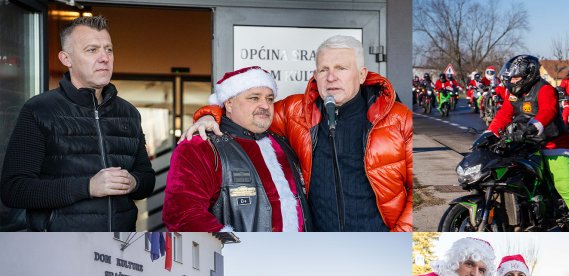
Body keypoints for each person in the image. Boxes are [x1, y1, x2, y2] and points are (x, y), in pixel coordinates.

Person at [185, 35, 412, 232]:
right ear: (315, 74)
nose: (331, 77)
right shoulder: (296, 111)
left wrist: (400, 235)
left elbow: (416, 191)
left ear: (362, 75)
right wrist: (209, 115)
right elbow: (248, 113)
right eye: (324, 70)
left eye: (341, 68)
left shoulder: (398, 118)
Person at [1, 15, 155, 231]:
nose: (104, 58)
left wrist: (134, 182)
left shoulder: (128, 113)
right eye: (92, 50)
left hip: (120, 249)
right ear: (66, 59)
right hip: (59, 250)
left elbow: (147, 179)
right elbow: (14, 190)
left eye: (108, 49)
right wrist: (88, 187)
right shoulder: (39, 110)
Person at [163, 66, 309, 232]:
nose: (265, 105)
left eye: (269, 99)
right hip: (239, 256)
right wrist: (230, 246)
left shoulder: (282, 143)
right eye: (254, 98)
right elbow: (182, 214)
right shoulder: (201, 146)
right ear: (229, 104)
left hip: (297, 254)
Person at [472, 55, 569, 229]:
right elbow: (504, 115)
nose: (512, 81)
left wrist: (532, 127)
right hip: (526, 142)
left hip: (554, 143)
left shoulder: (545, 89)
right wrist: (489, 134)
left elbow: (548, 112)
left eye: (516, 77)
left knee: (562, 183)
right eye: (510, 77)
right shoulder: (514, 93)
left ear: (529, 75)